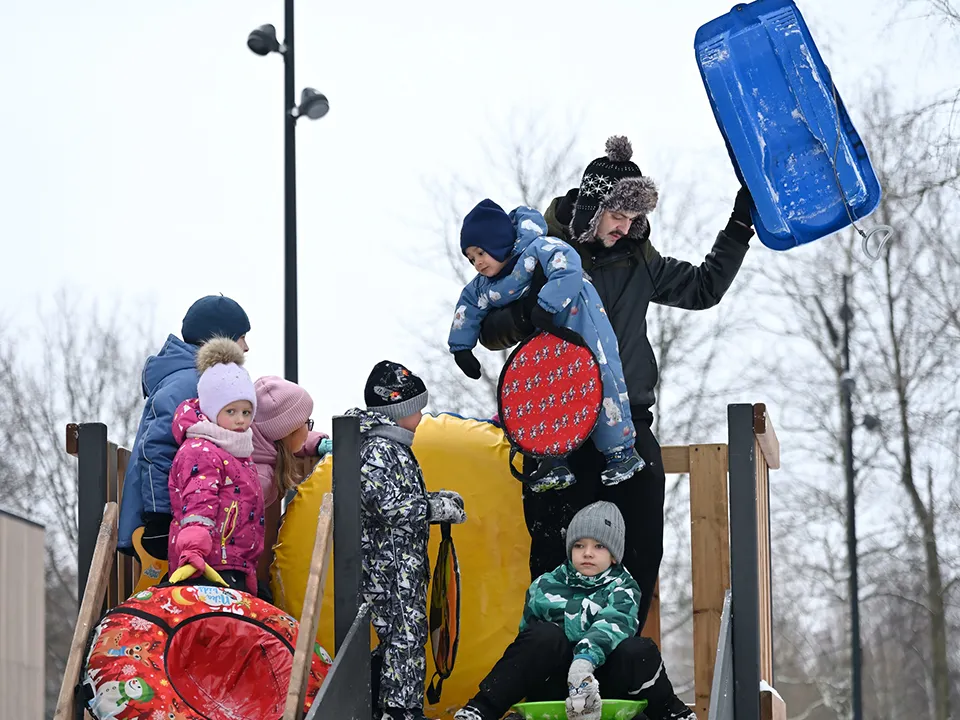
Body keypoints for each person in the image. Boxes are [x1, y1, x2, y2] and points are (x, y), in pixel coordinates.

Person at [478, 136, 754, 627]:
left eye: (634, 218)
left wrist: (740, 225)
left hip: (624, 423)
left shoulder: (638, 260)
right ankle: (551, 661)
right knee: (555, 550)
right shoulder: (543, 255)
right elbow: (489, 328)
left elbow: (704, 288)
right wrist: (529, 313)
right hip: (556, 429)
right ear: (592, 208)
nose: (626, 227)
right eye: (617, 216)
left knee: (642, 539)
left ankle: (620, 653)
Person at [449, 200, 645, 491]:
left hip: (580, 318)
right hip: (545, 338)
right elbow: (468, 306)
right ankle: (554, 459)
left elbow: (568, 268)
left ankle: (621, 452)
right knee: (545, 392)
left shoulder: (538, 247)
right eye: (470, 258)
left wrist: (546, 303)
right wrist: (462, 348)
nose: (477, 262)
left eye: (480, 252)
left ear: (500, 242)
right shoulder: (484, 284)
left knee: (599, 379)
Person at [454, 502, 694, 720]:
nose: (587, 552)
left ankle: (669, 711)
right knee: (544, 636)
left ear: (613, 556)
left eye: (599, 546)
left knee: (638, 650)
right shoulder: (546, 585)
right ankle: (482, 708)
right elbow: (531, 644)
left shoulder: (624, 587)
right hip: (554, 683)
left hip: (604, 684)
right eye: (579, 545)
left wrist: (584, 662)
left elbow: (615, 624)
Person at [346, 361, 468, 720]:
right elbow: (385, 505)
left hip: (403, 565)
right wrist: (434, 508)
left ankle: (394, 702)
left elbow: (398, 498)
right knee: (404, 635)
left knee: (408, 632)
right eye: (416, 407)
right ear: (397, 410)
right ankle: (398, 709)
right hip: (388, 567)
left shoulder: (395, 446)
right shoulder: (379, 449)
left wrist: (436, 499)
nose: (422, 413)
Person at [118, 295, 251, 560]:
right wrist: (159, 518)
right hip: (166, 524)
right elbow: (158, 446)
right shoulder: (189, 382)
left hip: (187, 520)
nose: (246, 347)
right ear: (220, 338)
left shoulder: (199, 380)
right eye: (241, 336)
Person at [166, 337, 262, 594]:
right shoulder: (201, 451)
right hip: (207, 565)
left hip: (233, 563)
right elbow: (198, 503)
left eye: (246, 412)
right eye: (230, 411)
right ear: (211, 409)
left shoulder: (238, 451)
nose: (240, 420)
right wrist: (194, 552)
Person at [251, 375, 332, 594]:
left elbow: (295, 442)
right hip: (250, 578)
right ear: (288, 432)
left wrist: (317, 443)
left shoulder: (264, 448)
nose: (309, 428)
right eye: (308, 423)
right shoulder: (260, 478)